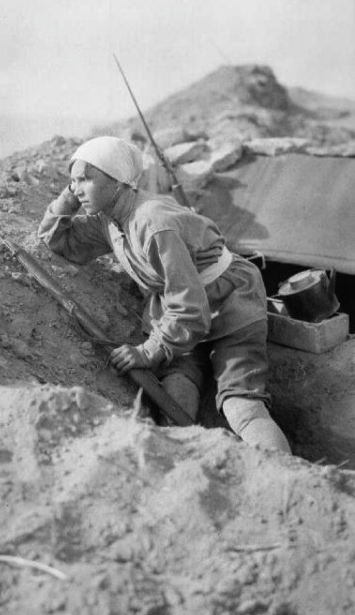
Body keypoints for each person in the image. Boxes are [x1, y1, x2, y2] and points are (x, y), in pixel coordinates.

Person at [38, 136, 291, 454]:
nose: (76, 188)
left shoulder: (154, 224)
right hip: (179, 307)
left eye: (86, 179)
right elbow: (56, 238)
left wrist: (148, 351)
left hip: (228, 303)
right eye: (73, 181)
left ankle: (288, 477)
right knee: (174, 392)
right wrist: (73, 195)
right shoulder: (110, 219)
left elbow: (191, 309)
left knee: (240, 405)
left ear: (118, 182)